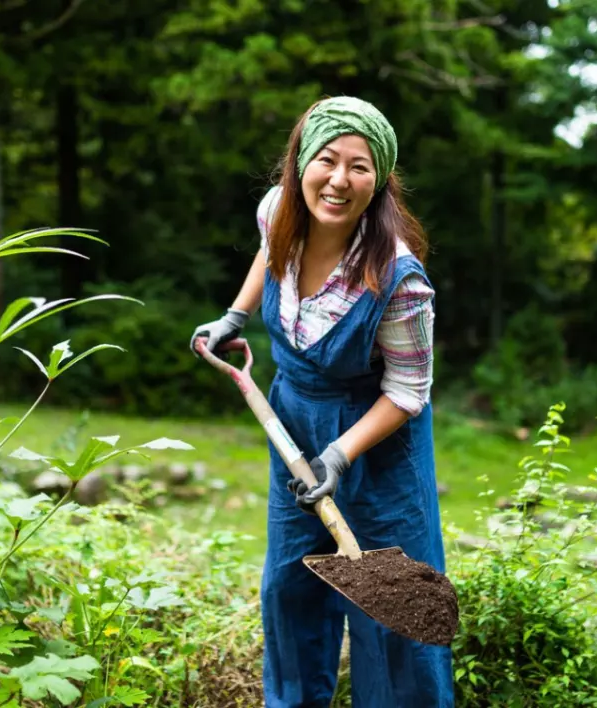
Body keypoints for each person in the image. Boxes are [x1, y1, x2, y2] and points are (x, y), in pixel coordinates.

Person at [189, 95, 454, 707]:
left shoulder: (398, 277)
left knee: (393, 621)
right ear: (301, 161)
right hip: (294, 423)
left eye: (359, 167)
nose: (338, 180)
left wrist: (338, 455)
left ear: (379, 180)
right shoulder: (278, 209)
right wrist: (236, 314)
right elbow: (269, 249)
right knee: (291, 591)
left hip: (378, 444)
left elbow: (409, 391)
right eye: (327, 160)